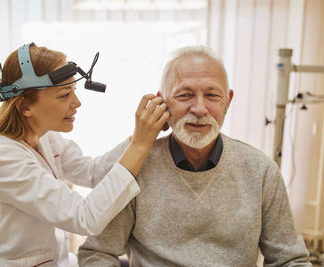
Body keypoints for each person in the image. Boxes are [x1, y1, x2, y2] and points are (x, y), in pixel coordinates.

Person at [78, 46, 312, 266]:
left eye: (212, 95)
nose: (200, 109)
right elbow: (97, 252)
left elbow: (291, 260)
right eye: (185, 95)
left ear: (228, 101)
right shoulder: (135, 168)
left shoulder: (261, 171)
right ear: (162, 101)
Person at [0, 43, 169, 267]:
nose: (76, 103)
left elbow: (93, 172)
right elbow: (85, 218)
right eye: (64, 95)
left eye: (74, 92)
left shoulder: (44, 138)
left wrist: (141, 137)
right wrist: (139, 147)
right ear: (25, 106)